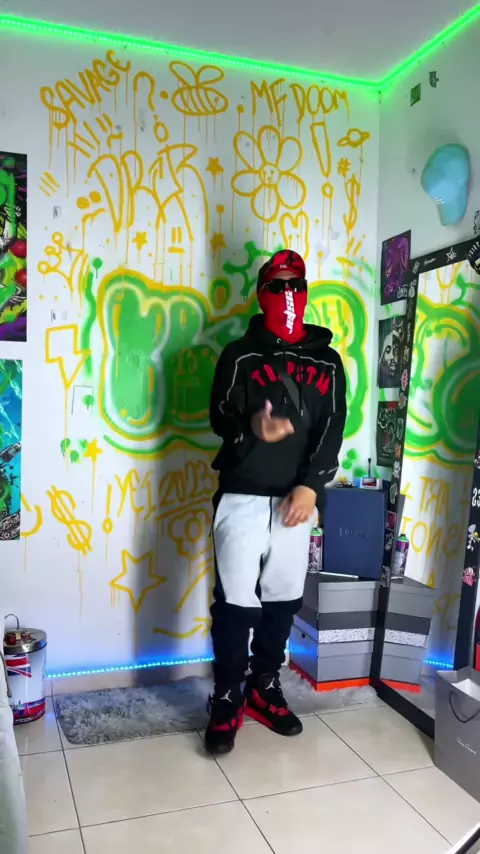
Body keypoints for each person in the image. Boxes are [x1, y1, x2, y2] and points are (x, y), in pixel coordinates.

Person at [205, 249, 347, 755]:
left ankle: (264, 686)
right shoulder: (239, 355)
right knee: (235, 605)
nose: (288, 294)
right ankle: (227, 695)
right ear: (262, 292)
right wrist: (253, 428)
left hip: (296, 502)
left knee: (283, 601)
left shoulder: (328, 361)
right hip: (242, 495)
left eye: (296, 285)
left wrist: (312, 486)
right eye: (278, 285)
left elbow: (333, 427)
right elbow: (219, 416)